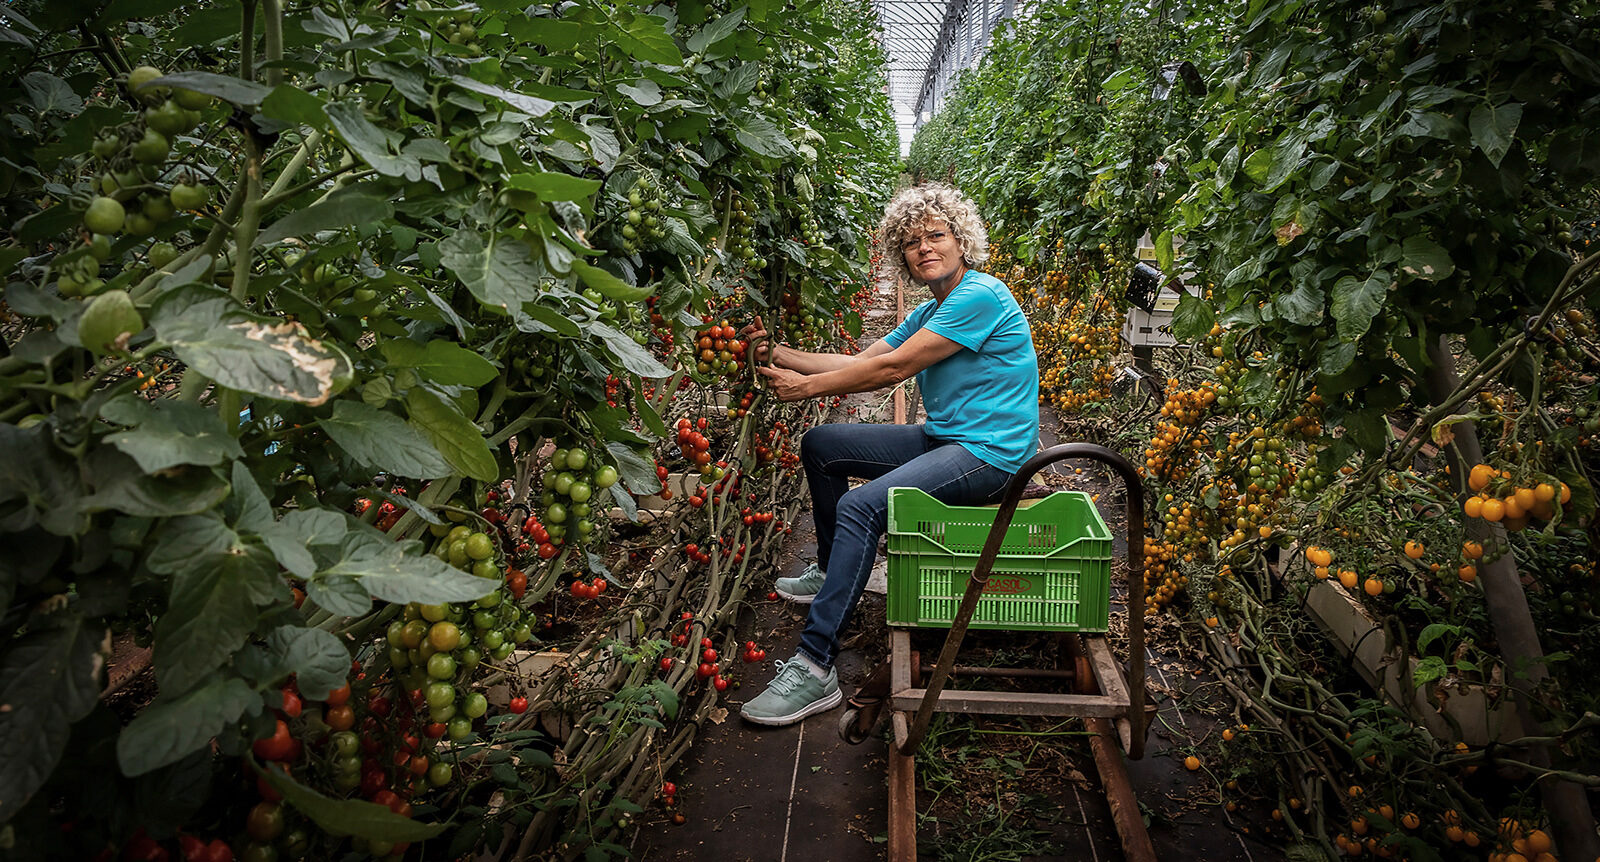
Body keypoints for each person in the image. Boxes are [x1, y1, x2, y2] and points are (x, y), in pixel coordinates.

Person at [738, 183, 1040, 726]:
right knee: (822, 445)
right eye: (911, 242)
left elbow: (891, 371)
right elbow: (861, 360)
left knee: (862, 507)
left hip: (991, 456)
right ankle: (831, 571)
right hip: (946, 439)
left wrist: (805, 389)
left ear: (961, 241)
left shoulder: (981, 296)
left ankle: (815, 665)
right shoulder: (930, 311)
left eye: (936, 236)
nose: (924, 248)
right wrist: (778, 353)